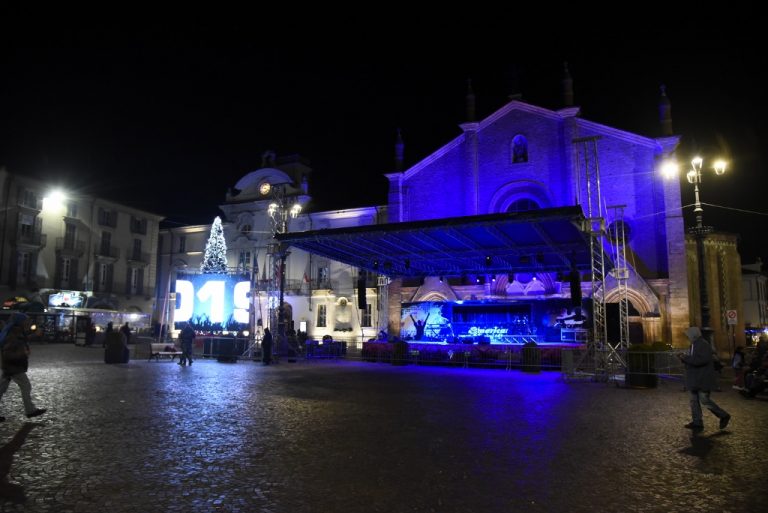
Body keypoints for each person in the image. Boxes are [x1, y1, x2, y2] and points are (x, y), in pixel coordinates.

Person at [677, 327, 730, 432]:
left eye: (689, 335)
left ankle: (723, 415)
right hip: (695, 378)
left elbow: (700, 360)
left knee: (704, 400)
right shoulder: (694, 344)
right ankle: (697, 422)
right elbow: (694, 359)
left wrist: (685, 358)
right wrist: (683, 358)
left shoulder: (703, 344)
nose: (688, 337)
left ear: (694, 335)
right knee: (694, 401)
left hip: (702, 378)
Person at [0, 313, 46, 421]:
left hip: (10, 366)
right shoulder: (13, 333)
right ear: (20, 322)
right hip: (13, 366)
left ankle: (30, 410)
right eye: (25, 321)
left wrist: (34, 335)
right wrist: (22, 354)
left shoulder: (15, 331)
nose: (27, 323)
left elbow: (22, 340)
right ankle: (30, 410)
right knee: (26, 385)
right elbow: (9, 351)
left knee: (2, 389)